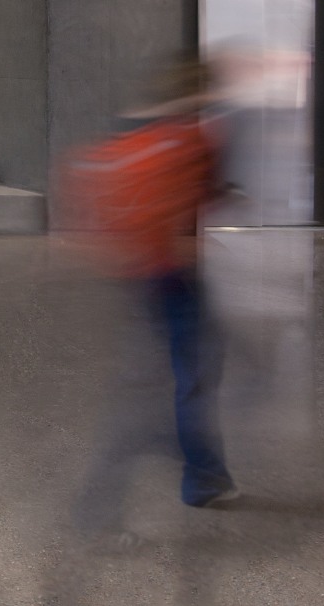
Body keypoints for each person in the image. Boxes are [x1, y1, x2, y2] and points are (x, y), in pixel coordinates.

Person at [67, 55, 238, 518]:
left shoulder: (134, 129)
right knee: (194, 377)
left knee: (171, 371)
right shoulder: (194, 137)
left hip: (139, 272)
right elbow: (205, 196)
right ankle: (198, 471)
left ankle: (196, 464)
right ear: (203, 91)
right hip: (177, 274)